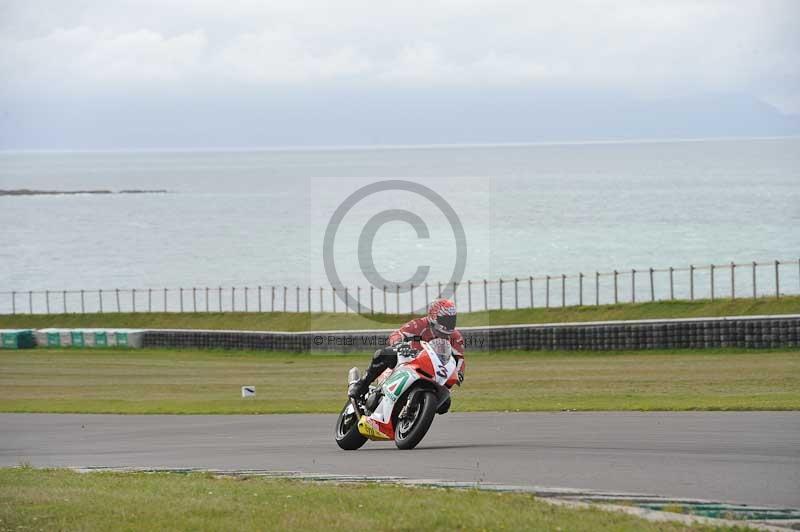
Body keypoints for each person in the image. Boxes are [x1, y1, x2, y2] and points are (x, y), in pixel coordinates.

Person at [348, 298, 466, 405]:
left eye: (451, 320)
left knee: (445, 404)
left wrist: (459, 372)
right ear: (433, 317)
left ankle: (415, 414)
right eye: (445, 320)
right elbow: (396, 334)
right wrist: (400, 344)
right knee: (383, 354)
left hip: (434, 371)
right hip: (410, 361)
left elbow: (459, 358)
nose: (449, 324)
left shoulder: (456, 337)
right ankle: (362, 385)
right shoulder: (419, 324)